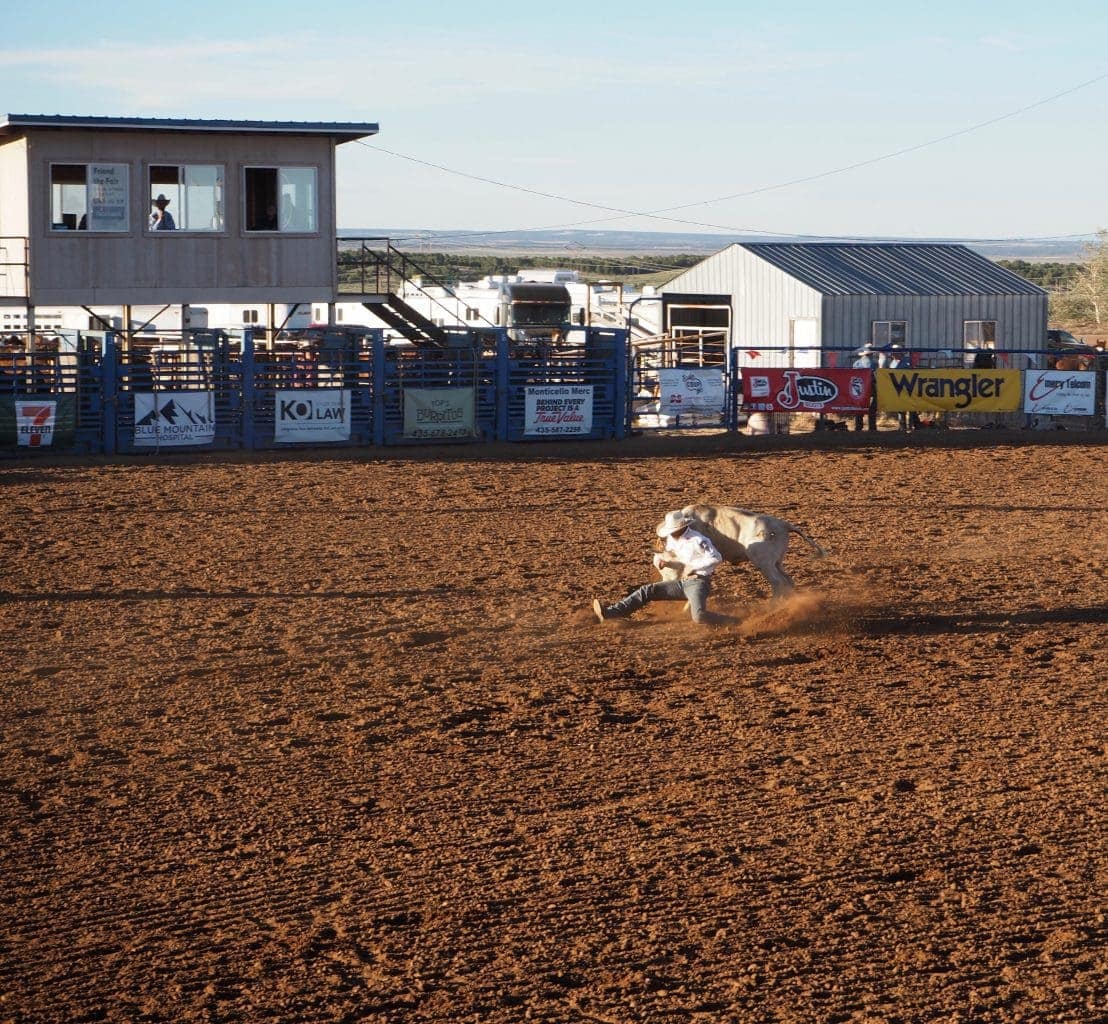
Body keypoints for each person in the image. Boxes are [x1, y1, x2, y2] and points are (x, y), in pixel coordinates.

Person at [592, 510, 723, 625]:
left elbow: (716, 558)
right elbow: (672, 557)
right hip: (682, 583)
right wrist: (661, 559)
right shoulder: (672, 539)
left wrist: (692, 567)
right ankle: (611, 613)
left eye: (673, 531)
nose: (671, 534)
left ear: (682, 527)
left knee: (699, 615)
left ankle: (736, 622)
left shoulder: (698, 540)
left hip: (698, 582)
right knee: (647, 590)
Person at [887, 345, 920, 431]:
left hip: (908, 386)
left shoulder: (907, 361)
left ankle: (914, 424)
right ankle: (903, 425)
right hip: (898, 387)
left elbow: (912, 371)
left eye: (894, 352)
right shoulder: (892, 363)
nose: (893, 354)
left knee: (911, 407)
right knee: (901, 407)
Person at [852, 344, 877, 431]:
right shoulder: (873, 363)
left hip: (860, 388)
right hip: (871, 386)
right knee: (872, 408)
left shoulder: (856, 363)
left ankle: (859, 427)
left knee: (859, 407)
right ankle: (872, 428)